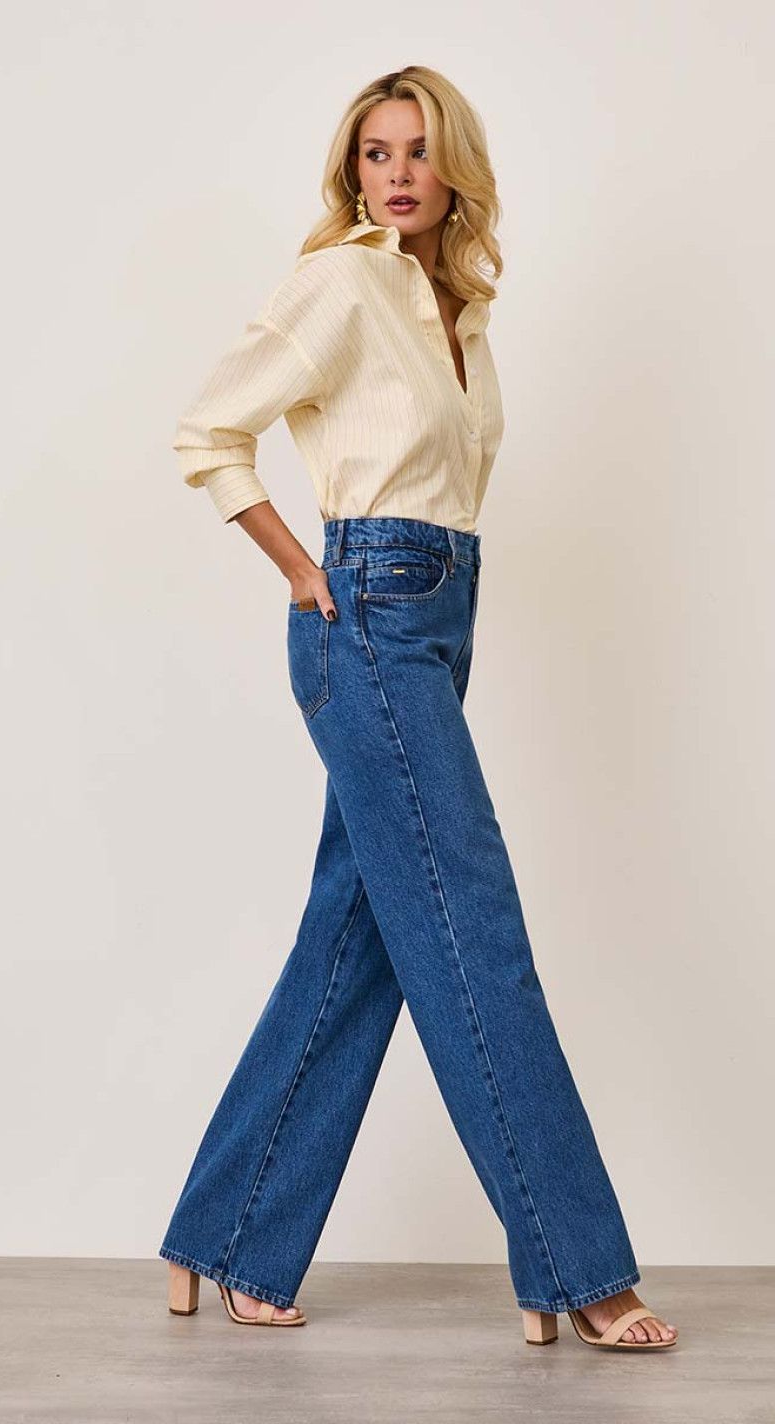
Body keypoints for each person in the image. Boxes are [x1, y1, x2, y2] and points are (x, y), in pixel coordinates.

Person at [158, 64, 678, 1352]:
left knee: (362, 939)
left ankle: (228, 1236)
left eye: (418, 150)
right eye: (375, 152)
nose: (396, 173)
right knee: (472, 926)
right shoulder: (339, 283)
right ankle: (576, 1265)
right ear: (353, 171)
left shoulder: (462, 309)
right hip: (368, 621)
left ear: (455, 171)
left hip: (440, 621)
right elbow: (209, 433)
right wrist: (302, 571)